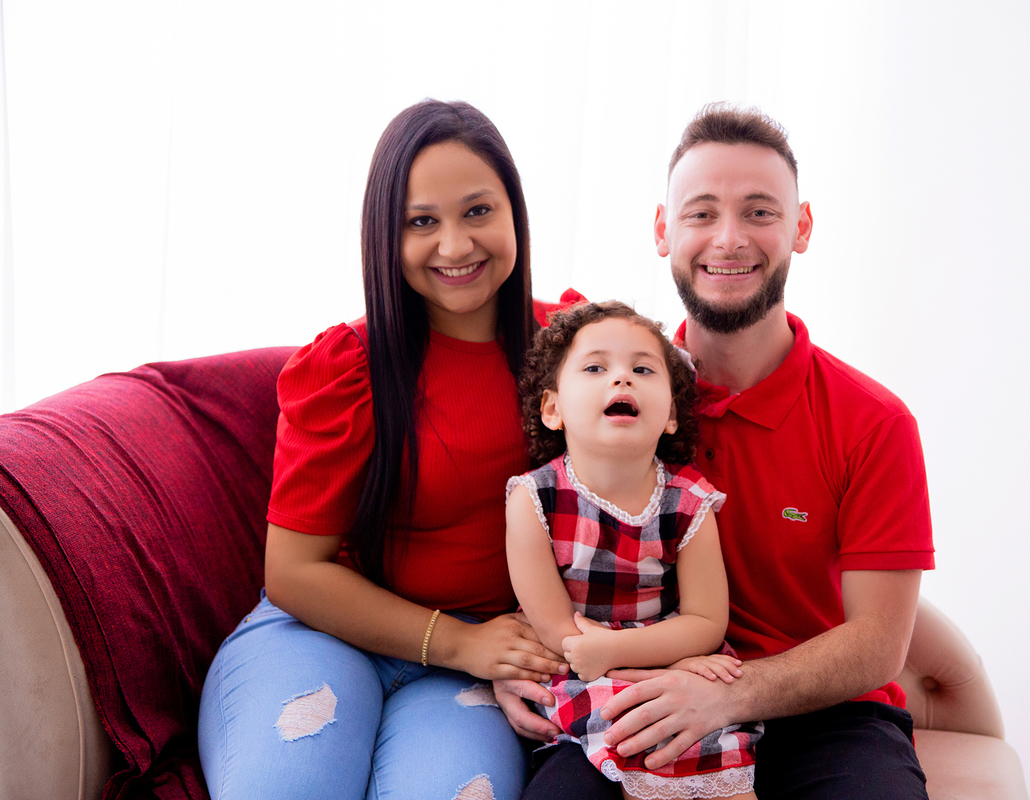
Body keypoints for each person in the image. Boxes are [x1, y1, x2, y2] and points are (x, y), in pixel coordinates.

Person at [498, 104, 936, 800]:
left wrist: (727, 697)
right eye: (701, 213)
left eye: (759, 211)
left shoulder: (874, 422)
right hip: (632, 690)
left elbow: (878, 644)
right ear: (663, 231)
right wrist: (512, 660)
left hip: (827, 719)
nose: (728, 239)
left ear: (802, 227)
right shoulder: (611, 394)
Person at [197, 100, 573, 800]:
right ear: (384, 236)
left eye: (478, 212)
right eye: (421, 222)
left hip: (467, 669)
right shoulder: (348, 365)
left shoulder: (573, 350)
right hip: (322, 634)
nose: (455, 246)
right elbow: (294, 571)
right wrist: (464, 643)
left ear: (515, 212)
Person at [505, 301, 761, 800]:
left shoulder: (690, 503)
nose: (621, 379)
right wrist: (616, 657)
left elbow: (707, 622)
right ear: (553, 408)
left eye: (642, 369)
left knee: (700, 753)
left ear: (670, 415)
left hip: (665, 661)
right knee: (631, 731)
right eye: (596, 367)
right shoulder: (533, 499)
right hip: (577, 671)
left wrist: (627, 653)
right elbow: (559, 632)